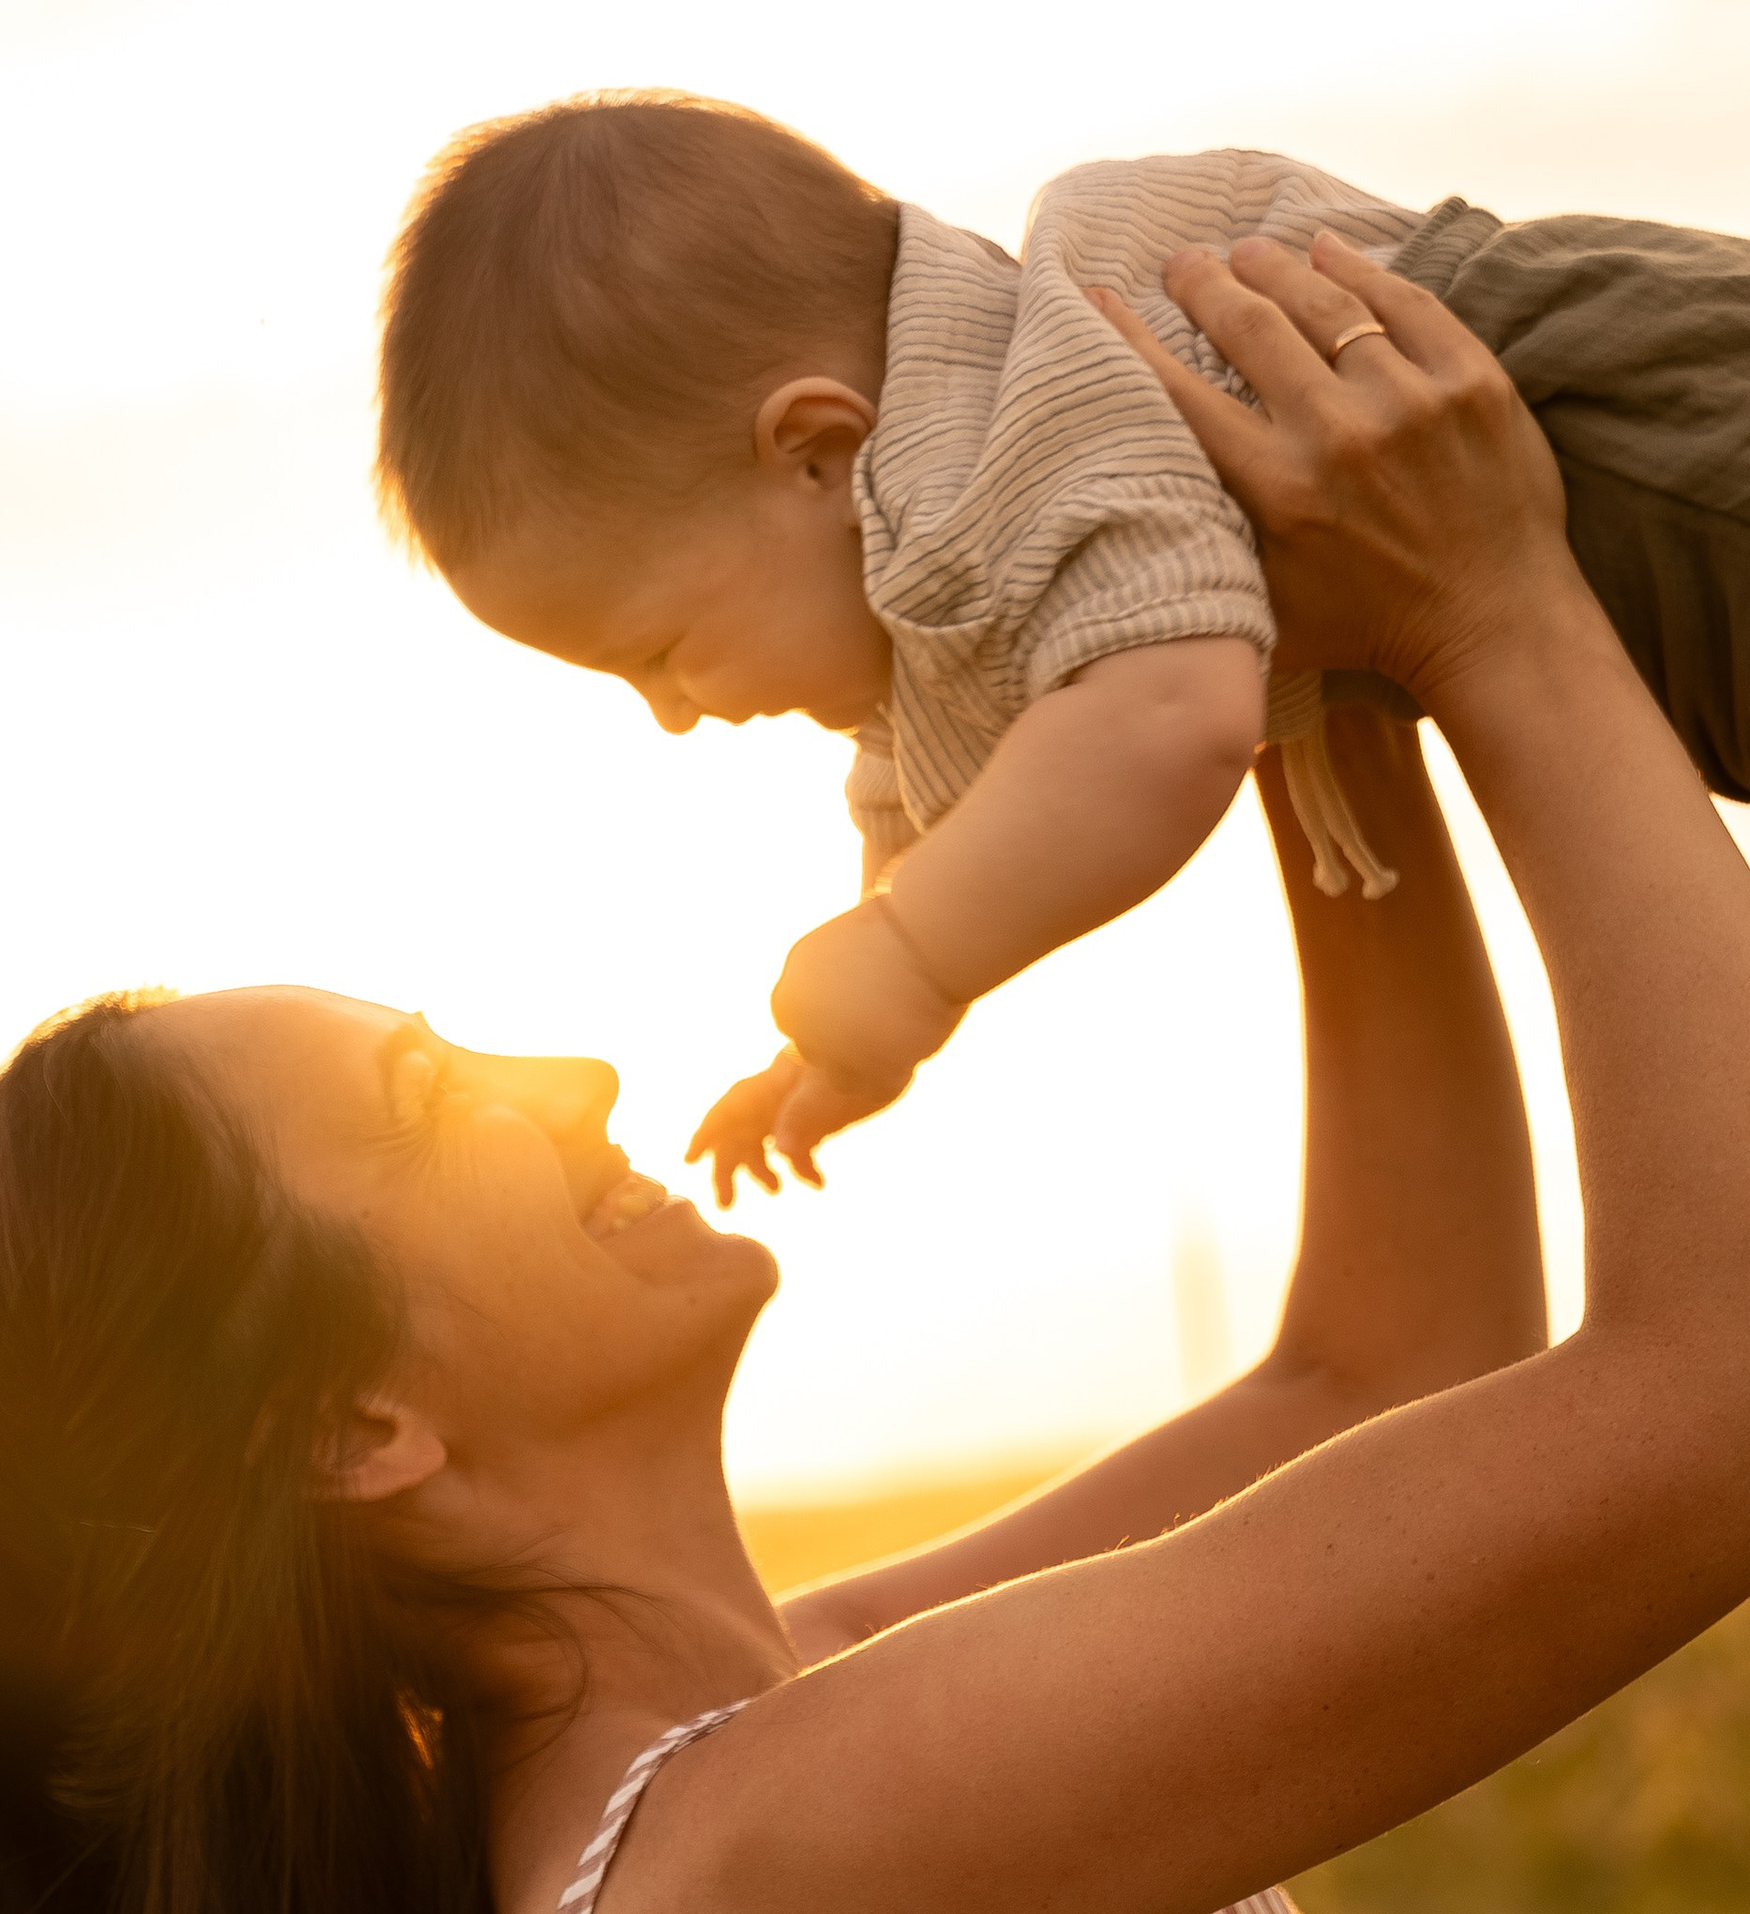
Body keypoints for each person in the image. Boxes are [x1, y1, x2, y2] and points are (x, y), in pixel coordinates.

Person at [0, 251, 1750, 1914]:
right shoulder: (779, 1856)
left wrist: (1305, 676)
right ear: (351, 1431)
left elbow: (1389, 1363)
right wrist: (1495, 608)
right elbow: (1701, 1397)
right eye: (426, 1096)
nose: (570, 1065)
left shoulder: (749, 1742)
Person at [375, 94, 1750, 1204]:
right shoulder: (931, 562)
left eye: (659, 652)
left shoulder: (1037, 410)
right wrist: (842, 1041)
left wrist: (915, 962)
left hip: (1680, 463)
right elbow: (930, 801)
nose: (672, 716)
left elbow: (1169, 718)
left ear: (817, 449)